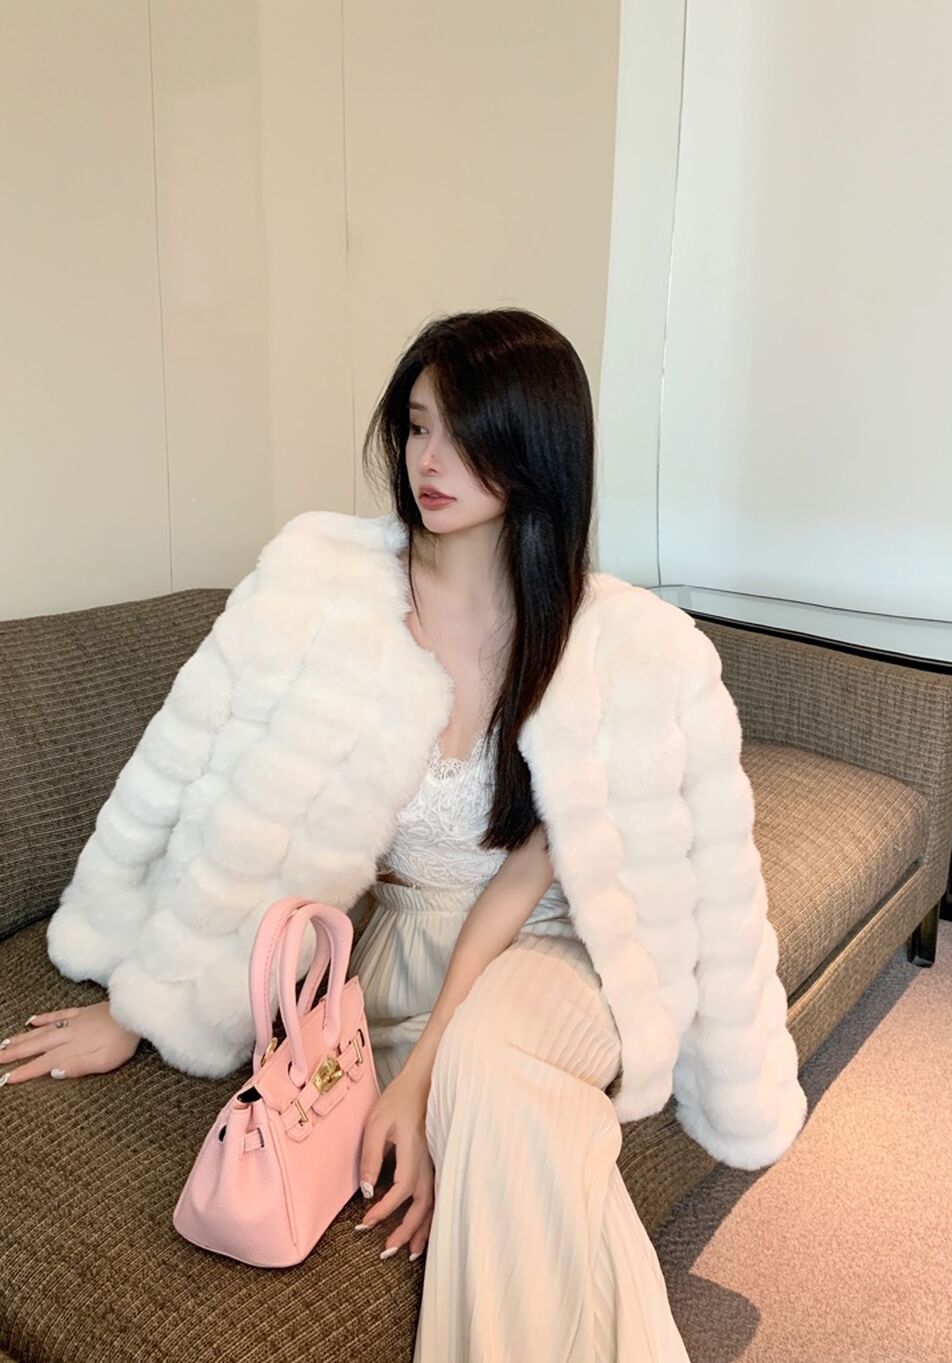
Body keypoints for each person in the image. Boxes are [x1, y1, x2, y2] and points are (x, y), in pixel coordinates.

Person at [3, 308, 802, 1361]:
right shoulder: (328, 600)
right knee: (518, 1113)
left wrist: (422, 1081)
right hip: (398, 956)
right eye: (418, 426)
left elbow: (530, 871)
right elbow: (229, 810)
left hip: (553, 951)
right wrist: (138, 1007)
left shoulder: (603, 642)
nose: (429, 460)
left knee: (484, 1063)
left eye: (464, 435)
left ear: (535, 449)